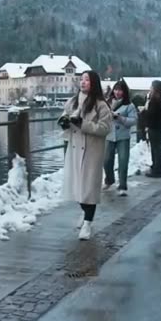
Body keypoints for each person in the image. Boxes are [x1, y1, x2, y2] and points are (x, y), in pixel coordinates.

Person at [61, 70, 113, 240]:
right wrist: (64, 122)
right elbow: (65, 116)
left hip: (92, 150)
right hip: (75, 148)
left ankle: (88, 223)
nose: (83, 82)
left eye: (87, 80)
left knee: (89, 187)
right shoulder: (73, 101)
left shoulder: (101, 105)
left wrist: (83, 124)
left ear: (94, 83)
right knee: (77, 185)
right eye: (81, 79)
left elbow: (104, 128)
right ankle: (84, 213)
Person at [104, 80, 136, 197]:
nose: (117, 92)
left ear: (124, 92)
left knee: (123, 160)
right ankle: (109, 180)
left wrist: (121, 118)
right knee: (106, 160)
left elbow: (133, 120)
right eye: (116, 89)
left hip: (123, 136)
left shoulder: (129, 105)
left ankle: (122, 185)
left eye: (120, 90)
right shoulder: (107, 103)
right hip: (109, 135)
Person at [144, 80, 161, 178]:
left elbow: (151, 114)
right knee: (158, 148)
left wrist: (145, 112)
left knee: (156, 149)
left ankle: (158, 169)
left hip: (154, 127)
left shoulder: (155, 100)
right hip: (159, 127)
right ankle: (159, 167)